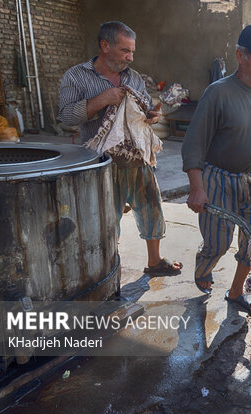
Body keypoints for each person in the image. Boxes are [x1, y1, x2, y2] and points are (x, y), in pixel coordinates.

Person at [58, 21, 181, 276]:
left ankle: (155, 261)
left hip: (136, 158)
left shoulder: (133, 77)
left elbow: (144, 108)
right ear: (105, 46)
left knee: (151, 206)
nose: (130, 57)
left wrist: (152, 114)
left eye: (132, 51)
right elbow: (67, 116)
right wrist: (102, 100)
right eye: (125, 50)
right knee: (105, 217)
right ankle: (107, 268)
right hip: (100, 162)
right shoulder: (76, 76)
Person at [182, 23, 251, 316]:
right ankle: (204, 266)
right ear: (240, 55)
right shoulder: (217, 93)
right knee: (217, 243)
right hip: (218, 179)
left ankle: (236, 293)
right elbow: (194, 145)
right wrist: (197, 188)